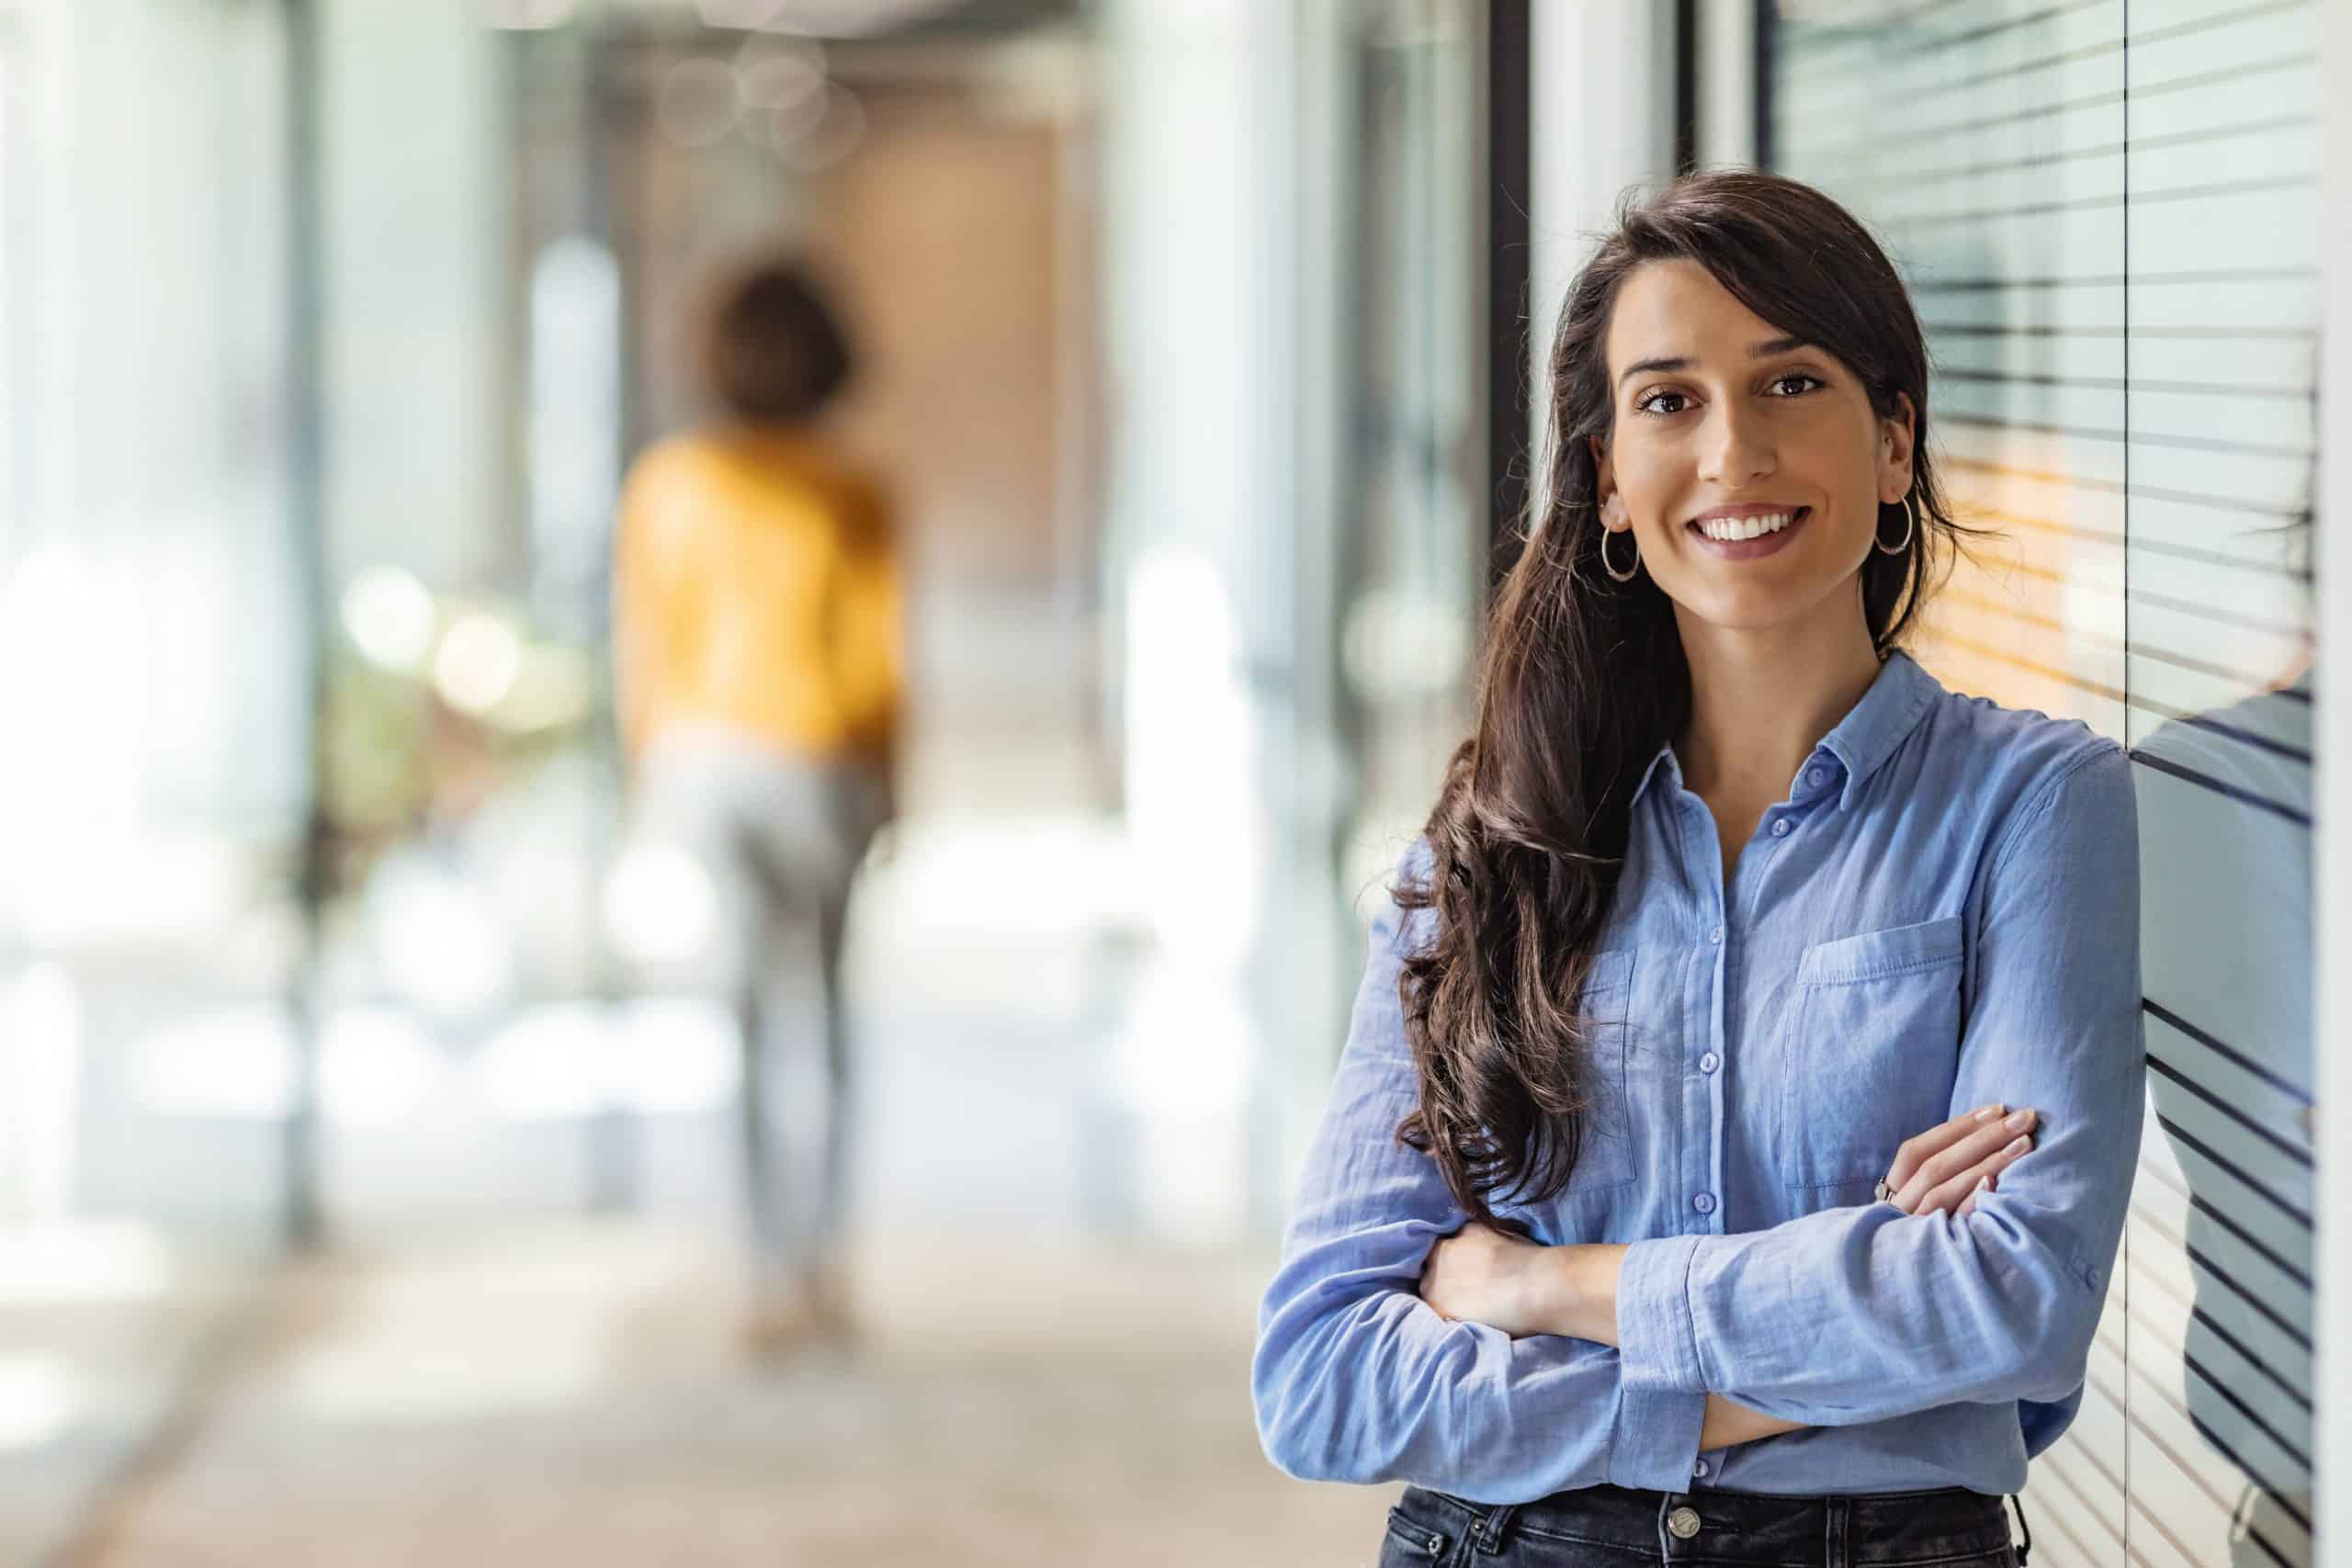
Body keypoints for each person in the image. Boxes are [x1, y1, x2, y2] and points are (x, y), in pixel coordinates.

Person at [1253, 171, 2144, 1566]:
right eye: (1669, 400)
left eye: (1791, 384)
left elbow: (2014, 1298)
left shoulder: (2035, 804)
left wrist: (1547, 1283)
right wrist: (1842, 1342)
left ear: (1896, 443)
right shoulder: (1490, 848)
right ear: (1608, 476)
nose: (1734, 452)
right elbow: (1318, 1376)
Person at [613, 254, 902, 1354]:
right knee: (819, 1013)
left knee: (738, 1013)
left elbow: (650, 643)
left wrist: (649, 779)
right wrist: (892, 788)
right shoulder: (851, 485)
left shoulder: (671, 481)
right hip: (821, 759)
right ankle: (816, 1265)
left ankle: (758, 1273)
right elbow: (876, 656)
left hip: (705, 762)